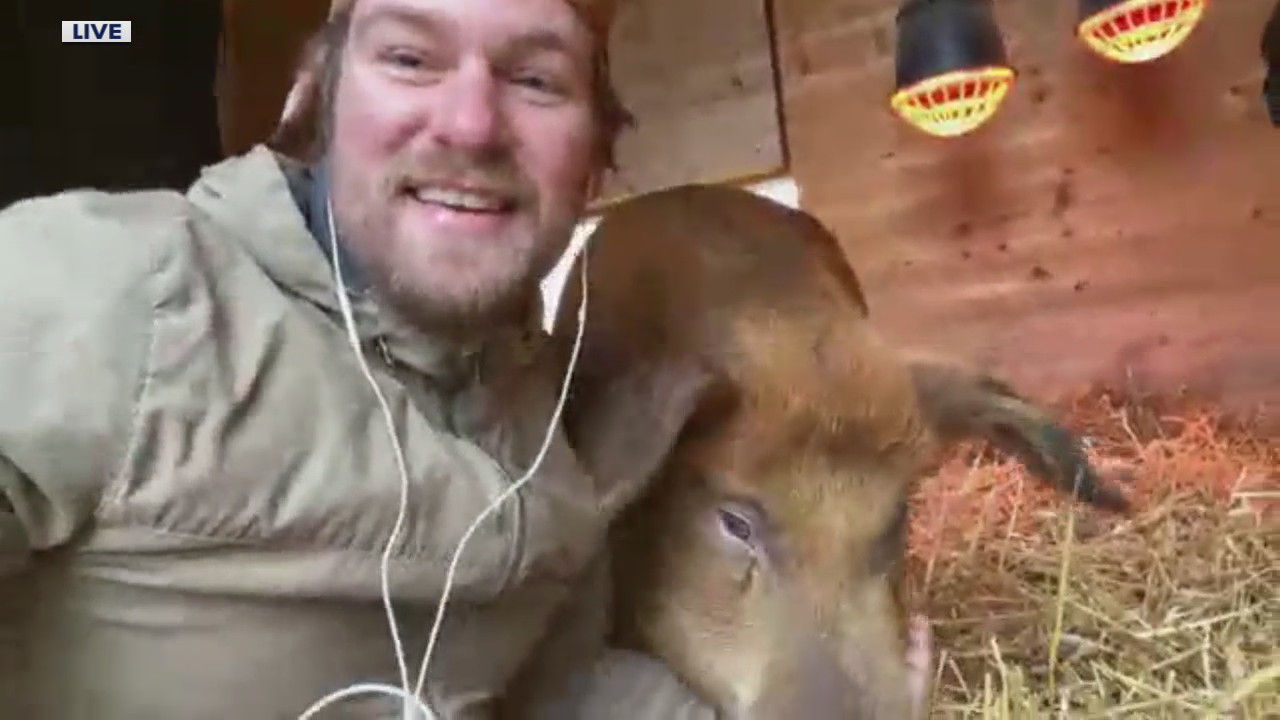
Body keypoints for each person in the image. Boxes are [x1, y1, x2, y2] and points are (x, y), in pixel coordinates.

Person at [0, 0, 720, 717]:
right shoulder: (104, 285)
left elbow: (555, 693)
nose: (470, 125)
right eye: (409, 59)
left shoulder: (554, 439)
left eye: (535, 80)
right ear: (318, 98)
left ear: (594, 161)